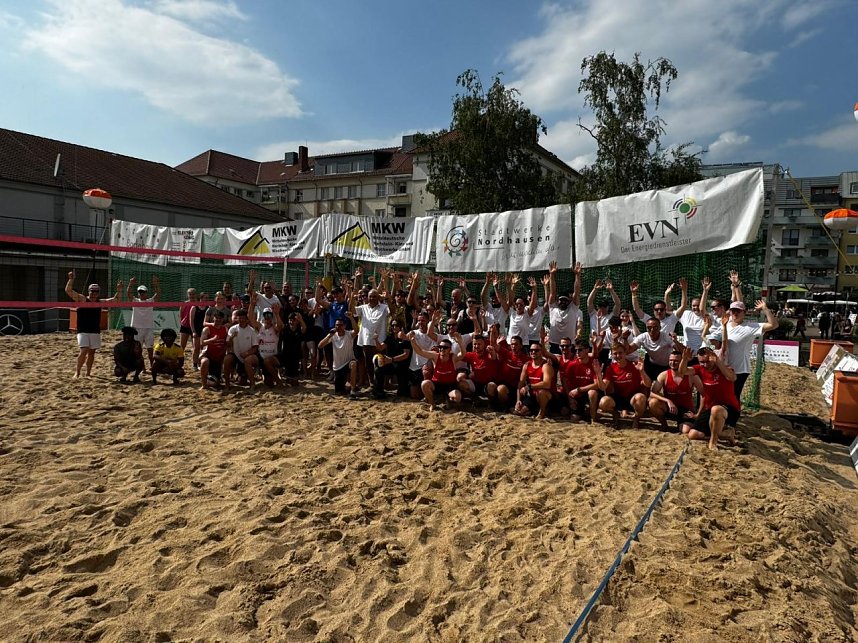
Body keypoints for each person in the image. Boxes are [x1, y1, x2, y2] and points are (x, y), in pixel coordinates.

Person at [715, 298, 777, 402]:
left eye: (738, 311)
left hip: (740, 369)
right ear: (729, 312)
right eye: (733, 311)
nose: (735, 313)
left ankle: (733, 416)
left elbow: (773, 325)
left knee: (734, 396)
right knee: (722, 395)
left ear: (744, 312)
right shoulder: (725, 324)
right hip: (724, 367)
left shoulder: (751, 327)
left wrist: (765, 309)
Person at [65, 270, 123, 378]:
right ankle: (77, 372)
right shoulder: (82, 299)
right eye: (92, 291)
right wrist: (71, 279)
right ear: (89, 291)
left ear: (98, 293)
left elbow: (116, 300)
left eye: (96, 291)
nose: (94, 293)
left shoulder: (99, 302)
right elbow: (68, 290)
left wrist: (119, 289)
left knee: (91, 353)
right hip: (83, 330)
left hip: (95, 331)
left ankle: (88, 373)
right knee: (84, 350)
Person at [693, 345, 741, 449]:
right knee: (693, 434)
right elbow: (683, 371)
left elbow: (732, 377)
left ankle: (713, 442)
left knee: (716, 409)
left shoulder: (725, 369)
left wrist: (718, 362)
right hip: (710, 407)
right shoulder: (700, 369)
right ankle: (725, 434)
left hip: (730, 408)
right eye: (702, 362)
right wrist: (684, 360)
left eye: (707, 361)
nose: (705, 365)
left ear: (713, 359)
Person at [596, 342, 651, 429]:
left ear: (625, 353)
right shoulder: (610, 368)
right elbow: (603, 387)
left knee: (641, 397)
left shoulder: (634, 366)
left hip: (632, 398)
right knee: (603, 402)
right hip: (618, 398)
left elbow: (648, 384)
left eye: (620, 352)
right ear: (612, 355)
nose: (618, 355)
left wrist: (642, 371)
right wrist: (598, 374)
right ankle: (615, 414)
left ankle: (636, 420)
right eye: (615, 353)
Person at [648, 348, 703, 433]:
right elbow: (652, 392)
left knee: (685, 431)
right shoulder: (664, 375)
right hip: (670, 408)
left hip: (686, 410)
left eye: (676, 361)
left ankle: (682, 424)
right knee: (653, 402)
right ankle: (664, 425)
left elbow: (704, 394)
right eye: (671, 360)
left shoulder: (692, 375)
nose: (673, 363)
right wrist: (668, 400)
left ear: (682, 362)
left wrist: (698, 414)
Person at [351, 268, 389, 387]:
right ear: (367, 297)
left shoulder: (383, 307)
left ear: (378, 297)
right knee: (368, 364)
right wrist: (352, 297)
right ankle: (372, 384)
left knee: (380, 363)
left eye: (374, 296)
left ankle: (380, 385)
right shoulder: (363, 307)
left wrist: (386, 293)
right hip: (366, 341)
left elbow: (391, 310)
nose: (372, 298)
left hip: (380, 341)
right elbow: (352, 311)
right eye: (370, 296)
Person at [549, 338, 601, 423]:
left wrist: (579, 389)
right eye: (575, 350)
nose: (577, 352)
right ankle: (583, 411)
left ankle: (593, 418)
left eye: (580, 350)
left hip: (587, 392)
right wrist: (570, 398)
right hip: (576, 394)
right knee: (572, 416)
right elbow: (565, 380)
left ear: (587, 350)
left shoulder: (593, 363)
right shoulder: (572, 364)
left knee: (592, 393)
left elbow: (597, 384)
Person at [408, 336, 463, 411]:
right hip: (437, 385)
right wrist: (413, 342)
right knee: (424, 384)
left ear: (450, 349)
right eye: (440, 347)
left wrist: (460, 343)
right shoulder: (435, 356)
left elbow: (463, 353)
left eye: (445, 347)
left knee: (457, 397)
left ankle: (446, 400)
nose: (442, 349)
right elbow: (420, 352)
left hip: (450, 386)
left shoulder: (452, 357)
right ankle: (432, 403)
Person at [546, 261, 582, 353]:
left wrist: (577, 275)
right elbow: (552, 292)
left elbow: (577, 293)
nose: (563, 302)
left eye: (565, 300)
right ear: (558, 300)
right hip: (554, 344)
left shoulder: (573, 309)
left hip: (569, 344)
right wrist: (552, 275)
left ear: (568, 301)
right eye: (561, 300)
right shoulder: (553, 307)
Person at [626, 317, 676, 382]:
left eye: (655, 328)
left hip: (666, 366)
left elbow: (679, 350)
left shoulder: (666, 337)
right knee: (645, 383)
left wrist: (676, 341)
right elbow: (628, 351)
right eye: (649, 328)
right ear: (646, 328)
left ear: (660, 328)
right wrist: (624, 338)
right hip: (651, 364)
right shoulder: (643, 337)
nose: (652, 330)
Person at [514, 341, 556, 420]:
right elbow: (521, 383)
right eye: (531, 350)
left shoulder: (546, 365)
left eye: (536, 350)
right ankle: (533, 410)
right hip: (532, 395)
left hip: (546, 396)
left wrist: (529, 386)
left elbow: (547, 384)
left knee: (541, 392)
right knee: (519, 412)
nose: (533, 352)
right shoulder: (527, 365)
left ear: (541, 352)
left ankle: (542, 412)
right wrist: (518, 400)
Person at [318, 318, 359, 397]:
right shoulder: (333, 336)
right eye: (337, 325)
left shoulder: (349, 334)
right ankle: (349, 385)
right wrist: (329, 335)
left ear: (344, 326)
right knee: (339, 392)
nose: (338, 327)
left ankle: (353, 390)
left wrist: (351, 319)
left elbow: (357, 330)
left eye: (340, 325)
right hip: (338, 366)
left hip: (348, 362)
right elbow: (320, 346)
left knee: (353, 364)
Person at [371, 320, 411, 399]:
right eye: (392, 326)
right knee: (378, 370)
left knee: (402, 393)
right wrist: (376, 339)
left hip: (402, 366)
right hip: (391, 364)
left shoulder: (405, 338)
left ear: (401, 326)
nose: (394, 327)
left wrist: (392, 359)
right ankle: (379, 391)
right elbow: (380, 347)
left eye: (396, 325)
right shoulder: (390, 338)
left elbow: (406, 355)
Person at [126, 276, 161, 369]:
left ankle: (152, 367)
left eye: (143, 292)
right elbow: (128, 294)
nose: (141, 293)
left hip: (148, 328)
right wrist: (130, 283)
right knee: (138, 350)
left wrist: (156, 284)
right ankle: (142, 368)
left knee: (150, 350)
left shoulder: (150, 301)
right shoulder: (135, 301)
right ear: (138, 293)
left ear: (146, 292)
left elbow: (158, 294)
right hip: (136, 329)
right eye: (140, 292)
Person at [223, 309, 259, 393]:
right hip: (236, 355)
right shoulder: (233, 329)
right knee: (227, 359)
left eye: (243, 318)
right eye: (239, 318)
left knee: (248, 360)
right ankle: (227, 385)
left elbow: (255, 347)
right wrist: (231, 337)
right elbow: (228, 344)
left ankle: (252, 384)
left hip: (249, 356)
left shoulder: (251, 330)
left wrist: (247, 353)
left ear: (247, 319)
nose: (241, 320)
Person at [587, 278, 621, 365]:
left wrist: (611, 290)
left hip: (606, 347)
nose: (602, 308)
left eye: (604, 306)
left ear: (608, 307)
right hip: (593, 345)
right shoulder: (593, 314)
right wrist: (595, 289)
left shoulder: (611, 316)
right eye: (600, 306)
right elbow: (589, 302)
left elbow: (618, 304)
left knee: (606, 368)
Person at [678, 277, 712, 355]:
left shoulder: (707, 317)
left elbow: (702, 309)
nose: (696, 307)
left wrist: (705, 291)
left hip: (703, 354)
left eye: (698, 305)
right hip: (688, 354)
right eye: (694, 306)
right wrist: (683, 290)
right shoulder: (686, 314)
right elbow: (671, 310)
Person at [199, 309, 228, 390]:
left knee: (228, 360)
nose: (218, 320)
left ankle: (227, 382)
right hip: (208, 355)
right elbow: (202, 343)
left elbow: (226, 344)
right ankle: (204, 385)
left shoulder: (225, 329)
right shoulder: (207, 329)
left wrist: (222, 353)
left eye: (220, 318)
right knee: (204, 362)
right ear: (213, 318)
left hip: (219, 356)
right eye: (216, 318)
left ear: (223, 319)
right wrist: (212, 340)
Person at [179, 288, 198, 365]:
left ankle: (195, 363)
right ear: (187, 295)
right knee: (182, 345)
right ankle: (179, 361)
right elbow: (181, 315)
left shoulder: (198, 304)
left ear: (196, 294)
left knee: (195, 346)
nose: (192, 295)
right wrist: (182, 322)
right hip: (185, 326)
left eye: (193, 294)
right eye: (190, 294)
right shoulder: (184, 304)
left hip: (195, 326)